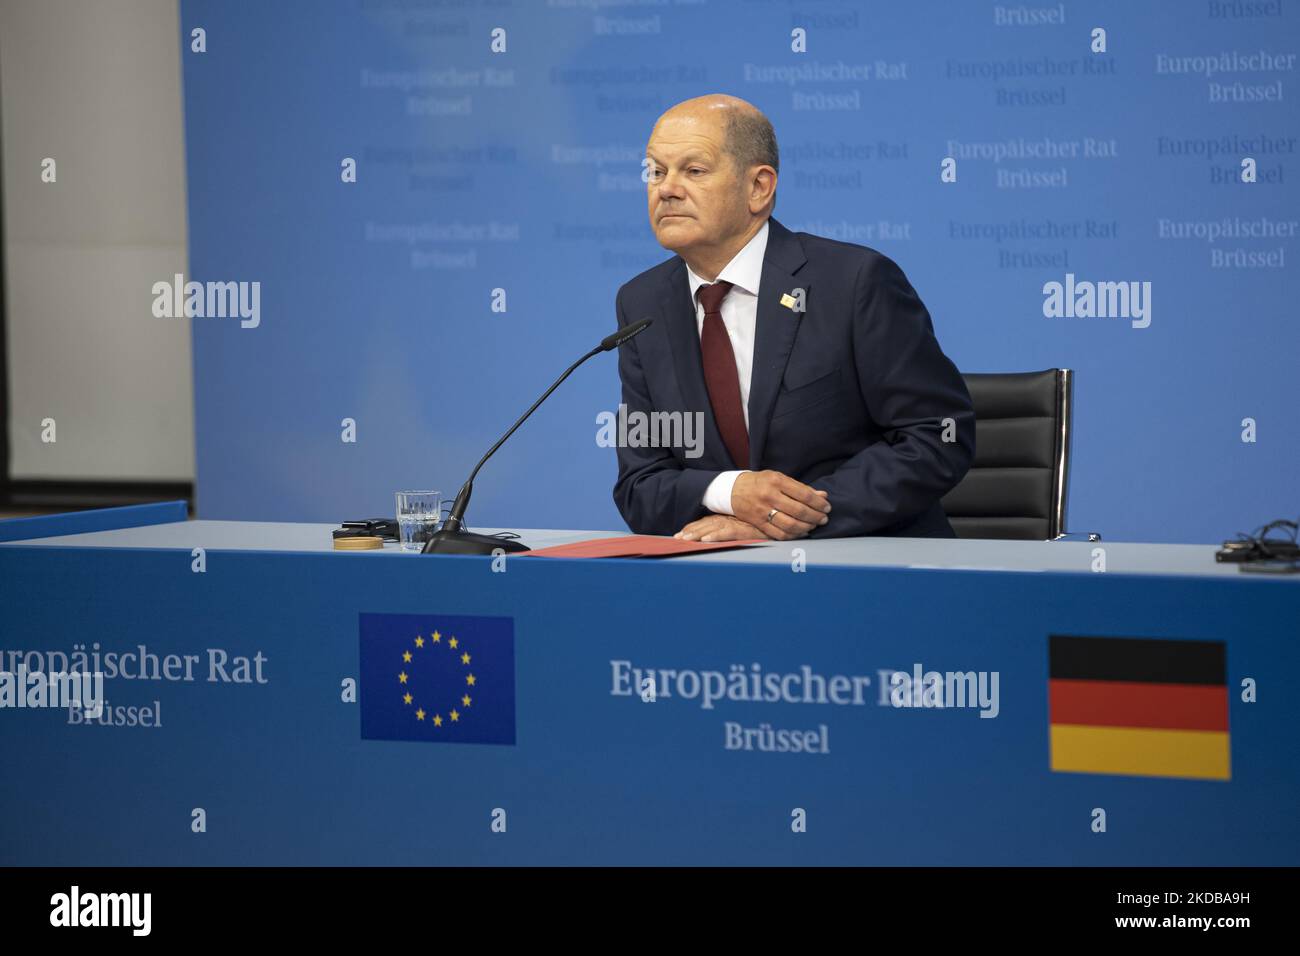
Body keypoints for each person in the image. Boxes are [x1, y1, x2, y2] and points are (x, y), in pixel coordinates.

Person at [613, 94, 974, 542]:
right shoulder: (643, 304)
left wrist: (778, 519)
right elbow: (641, 484)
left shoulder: (853, 283)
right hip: (723, 584)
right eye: (656, 171)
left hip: (867, 570)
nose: (666, 188)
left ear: (759, 188)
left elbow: (936, 437)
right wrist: (732, 493)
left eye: (694, 170)